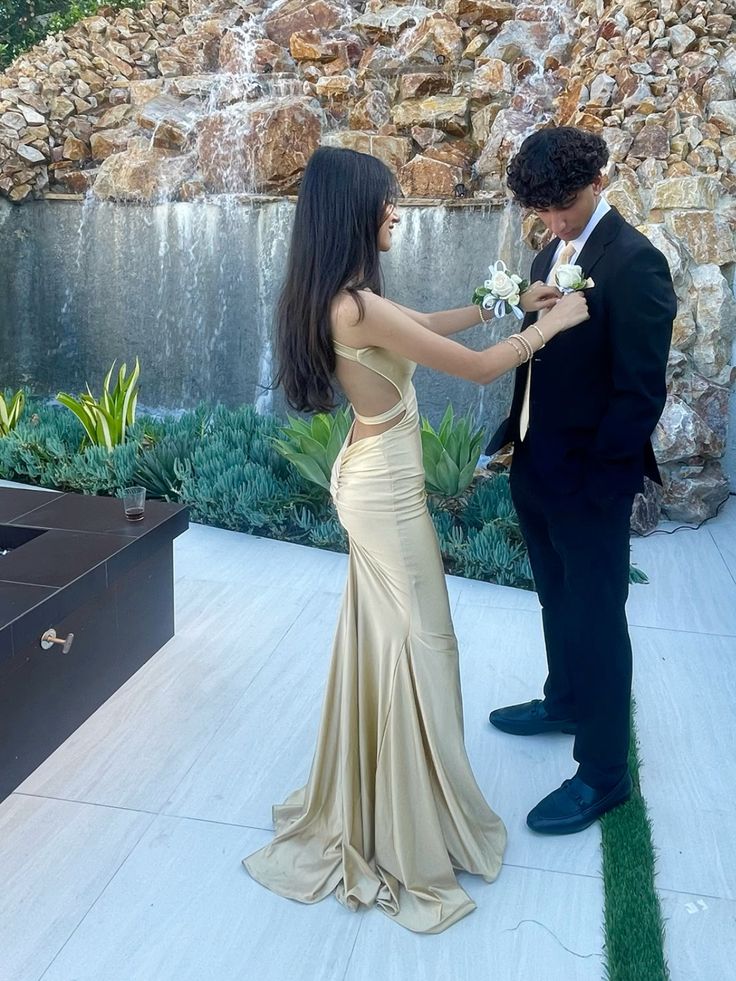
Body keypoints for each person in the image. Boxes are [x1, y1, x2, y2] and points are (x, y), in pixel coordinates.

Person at [243, 146, 588, 933]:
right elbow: (475, 370)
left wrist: (502, 301)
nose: (397, 211)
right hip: (383, 496)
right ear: (354, 212)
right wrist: (549, 324)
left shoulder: (345, 296)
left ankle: (388, 795)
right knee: (423, 644)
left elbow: (425, 329)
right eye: (387, 200)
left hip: (371, 479)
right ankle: (407, 822)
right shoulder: (353, 305)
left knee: (389, 640)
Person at [487, 126, 676, 835]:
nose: (554, 222)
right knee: (554, 599)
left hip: (590, 484)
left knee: (598, 619)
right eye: (542, 210)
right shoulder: (548, 253)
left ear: (599, 181)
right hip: (536, 464)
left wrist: (599, 489)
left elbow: (639, 393)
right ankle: (564, 698)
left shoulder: (635, 263)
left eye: (563, 206)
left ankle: (604, 771)